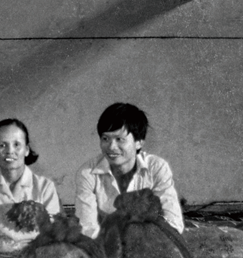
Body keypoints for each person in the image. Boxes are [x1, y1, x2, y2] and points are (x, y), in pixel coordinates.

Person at [75, 102, 183, 238]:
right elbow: (88, 229)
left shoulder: (156, 168)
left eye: (119, 139)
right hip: (105, 244)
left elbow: (173, 223)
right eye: (105, 138)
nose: (111, 147)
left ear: (139, 142)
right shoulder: (88, 173)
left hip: (149, 242)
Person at [0, 119, 61, 257]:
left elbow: (52, 236)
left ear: (26, 150)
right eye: (2, 145)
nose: (10, 151)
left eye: (17, 145)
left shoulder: (45, 186)